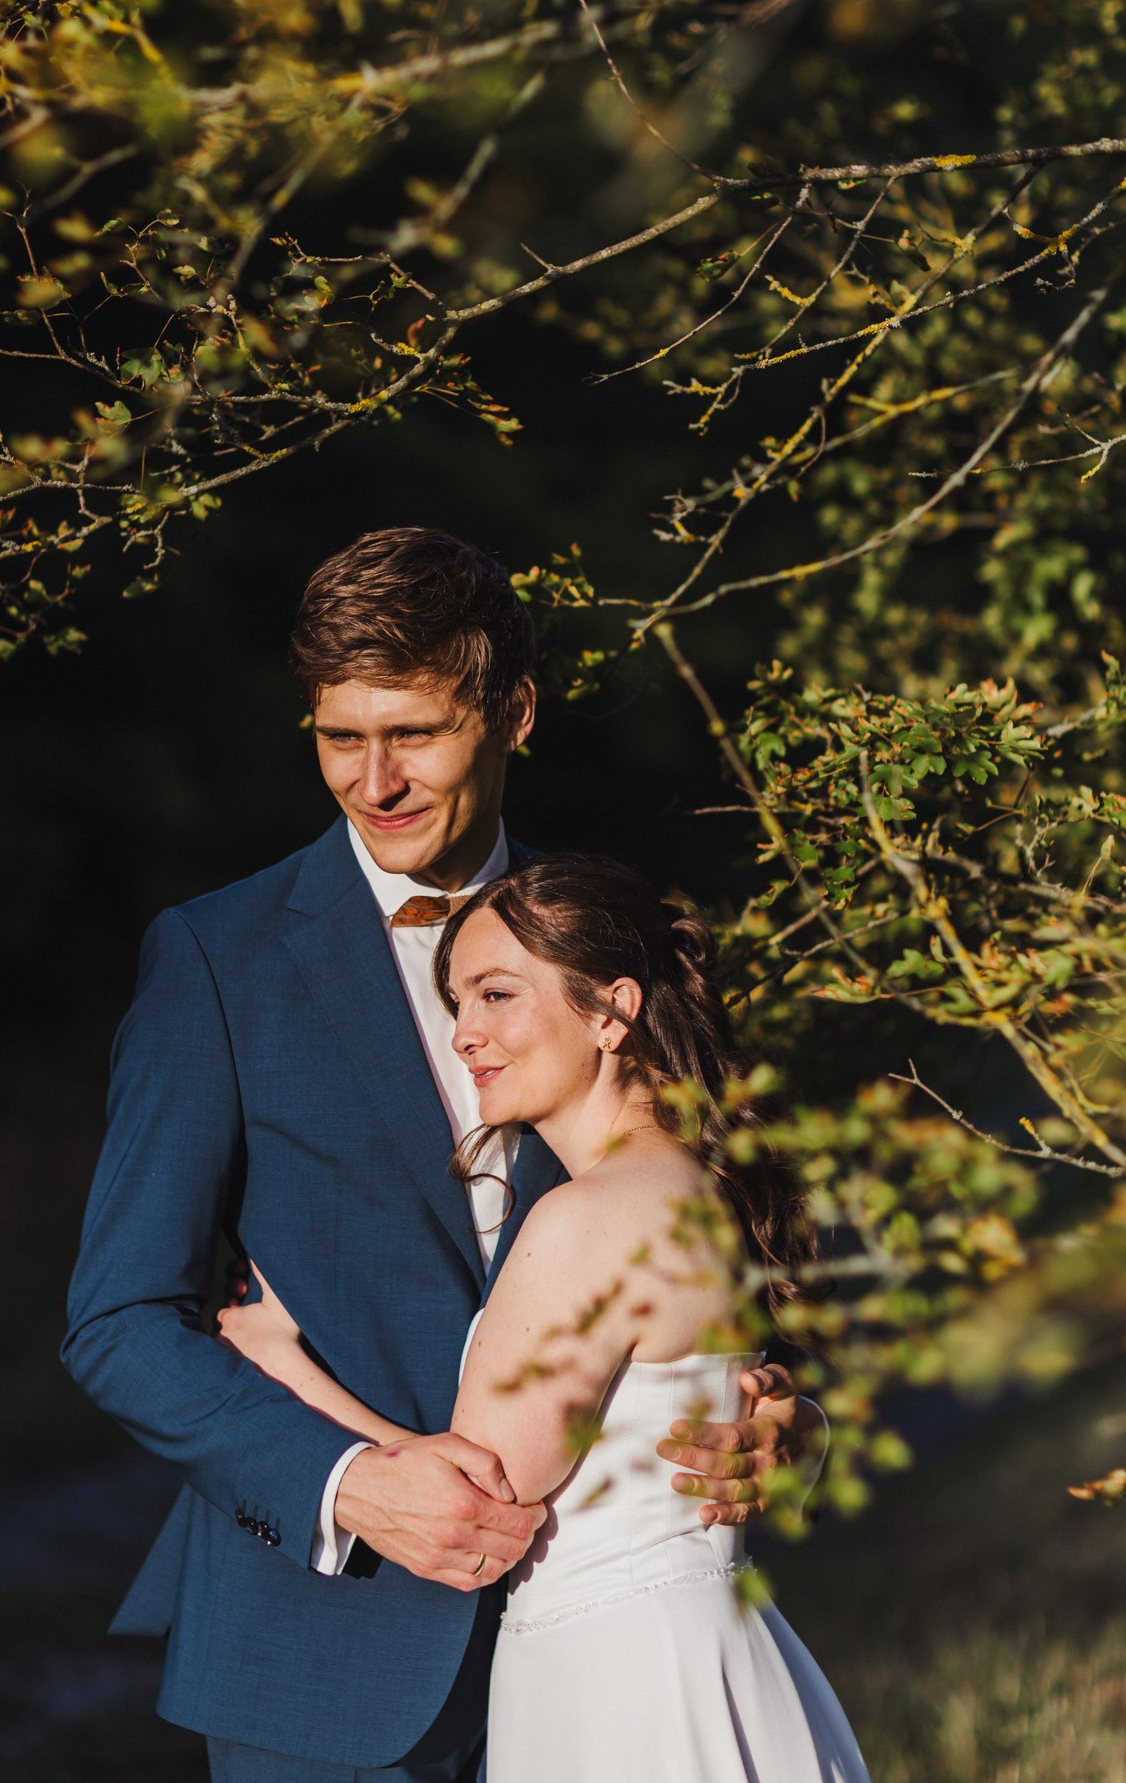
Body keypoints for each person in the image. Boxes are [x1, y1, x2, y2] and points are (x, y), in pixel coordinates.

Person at [62, 527, 824, 1783]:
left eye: (412, 732)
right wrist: (347, 1481)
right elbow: (117, 1319)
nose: (374, 780)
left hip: (616, 1660)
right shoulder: (215, 960)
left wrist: (789, 1425)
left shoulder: (616, 939)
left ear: (513, 714)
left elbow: (739, 1251)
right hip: (318, 1652)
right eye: (336, 737)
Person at [218, 854, 868, 1782]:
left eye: (496, 996)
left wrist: (284, 1365)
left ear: (611, 1011)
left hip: (618, 1681)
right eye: (457, 1003)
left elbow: (482, 1510)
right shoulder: (693, 1183)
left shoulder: (584, 1219)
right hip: (708, 1648)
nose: (465, 1036)